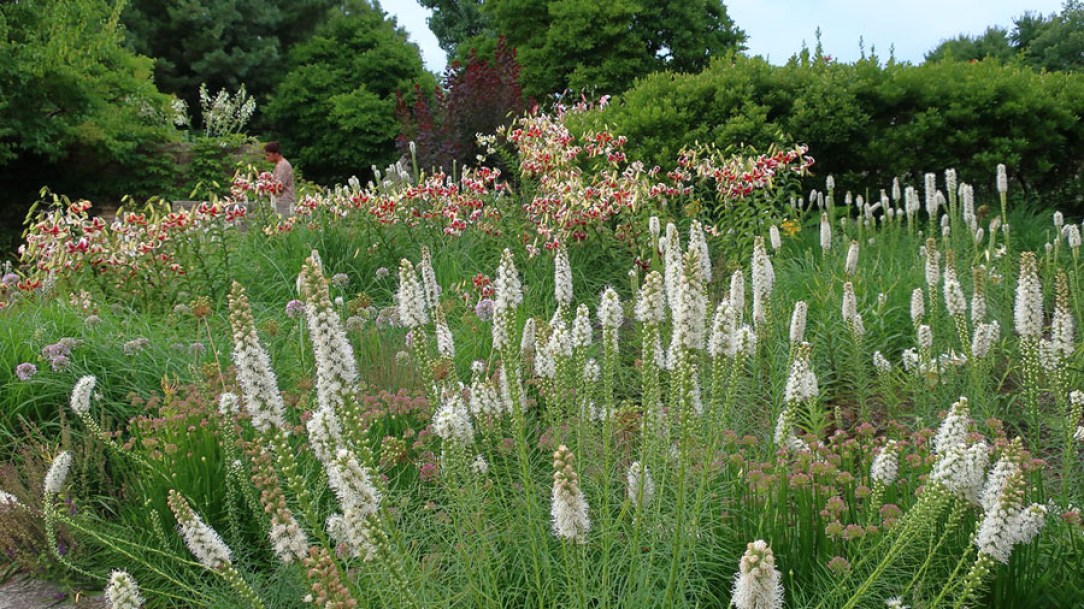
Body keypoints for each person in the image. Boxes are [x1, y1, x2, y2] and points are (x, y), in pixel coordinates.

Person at [264, 141, 296, 216]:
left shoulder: (282, 166)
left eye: (268, 155)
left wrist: (264, 186)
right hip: (282, 202)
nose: (267, 157)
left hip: (284, 202)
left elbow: (279, 186)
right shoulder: (280, 165)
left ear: (276, 154)